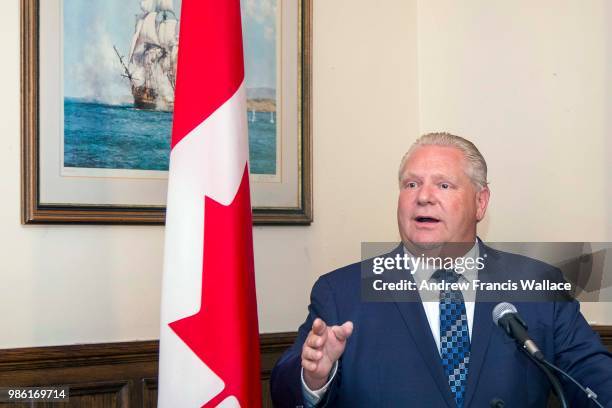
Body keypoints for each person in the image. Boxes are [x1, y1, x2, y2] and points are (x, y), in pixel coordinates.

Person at [270, 133, 612, 407]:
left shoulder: (538, 284)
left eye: (443, 185)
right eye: (411, 184)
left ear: (480, 202)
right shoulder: (341, 292)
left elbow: (593, 379)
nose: (423, 197)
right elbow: (284, 391)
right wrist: (313, 379)